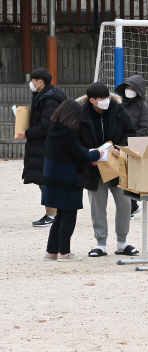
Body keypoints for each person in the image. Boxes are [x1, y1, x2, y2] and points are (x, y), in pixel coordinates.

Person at [76, 82, 139, 257]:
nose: (105, 101)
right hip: (94, 167)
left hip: (117, 165)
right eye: (101, 99)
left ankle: (122, 242)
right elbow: (76, 141)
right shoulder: (81, 114)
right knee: (97, 205)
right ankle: (101, 243)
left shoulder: (119, 110)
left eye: (107, 97)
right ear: (92, 100)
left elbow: (131, 132)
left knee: (125, 204)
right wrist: (88, 155)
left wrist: (121, 147)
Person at [42, 100, 103, 262]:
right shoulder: (68, 133)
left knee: (59, 215)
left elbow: (71, 151)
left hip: (53, 179)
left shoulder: (53, 129)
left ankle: (52, 251)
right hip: (67, 181)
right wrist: (97, 153)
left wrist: (88, 153)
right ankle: (64, 252)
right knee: (68, 215)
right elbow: (80, 156)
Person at [16, 68, 67, 227]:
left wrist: (28, 133)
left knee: (46, 180)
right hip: (44, 144)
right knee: (44, 179)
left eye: (33, 81)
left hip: (48, 144)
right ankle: (55, 212)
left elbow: (47, 125)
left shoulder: (49, 100)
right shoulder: (44, 96)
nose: (31, 83)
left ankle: (52, 214)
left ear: (40, 82)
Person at [115, 74, 148, 220]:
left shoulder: (144, 107)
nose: (129, 90)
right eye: (127, 88)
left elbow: (146, 128)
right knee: (121, 176)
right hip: (119, 145)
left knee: (130, 177)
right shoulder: (120, 104)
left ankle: (131, 207)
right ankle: (133, 206)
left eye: (132, 88)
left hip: (133, 146)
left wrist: (129, 139)